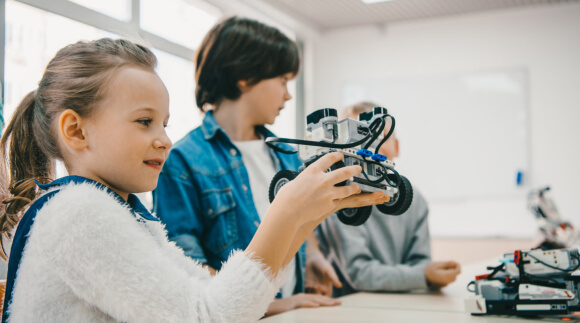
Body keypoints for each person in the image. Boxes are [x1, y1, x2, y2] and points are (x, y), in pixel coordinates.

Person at [0, 38, 388, 322]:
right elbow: (206, 317)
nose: (165, 139)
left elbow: (205, 296)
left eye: (165, 124)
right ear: (76, 131)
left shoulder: (116, 211)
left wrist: (304, 219)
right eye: (144, 121)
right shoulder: (78, 214)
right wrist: (286, 212)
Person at [152, 16, 344, 316]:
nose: (288, 94)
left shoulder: (287, 153)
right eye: (282, 80)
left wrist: (313, 257)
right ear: (244, 75)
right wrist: (276, 305)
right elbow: (189, 274)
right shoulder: (182, 161)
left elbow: (301, 219)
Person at [316, 101, 461, 297]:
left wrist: (426, 274)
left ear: (397, 147)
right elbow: (358, 273)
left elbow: (420, 263)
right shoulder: (338, 197)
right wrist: (423, 276)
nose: (371, 146)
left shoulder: (415, 200)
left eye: (380, 137)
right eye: (359, 137)